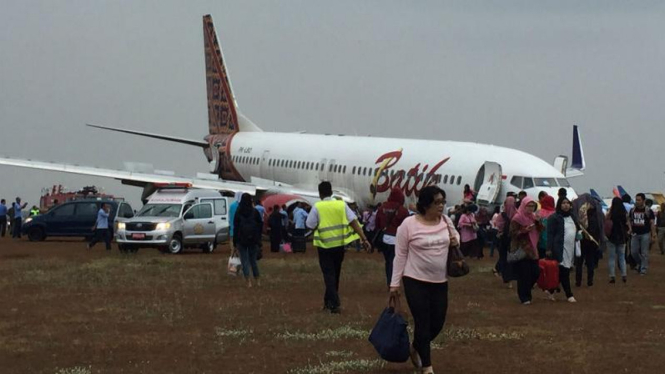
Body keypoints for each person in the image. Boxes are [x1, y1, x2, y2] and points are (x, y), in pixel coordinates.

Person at [390, 186, 460, 374]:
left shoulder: (445, 221)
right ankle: (427, 366)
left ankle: (416, 346)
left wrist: (456, 241)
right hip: (415, 280)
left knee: (437, 321)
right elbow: (400, 255)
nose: (441, 206)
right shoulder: (408, 224)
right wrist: (394, 283)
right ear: (425, 204)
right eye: (437, 202)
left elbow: (455, 236)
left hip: (439, 281)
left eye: (443, 202)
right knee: (422, 321)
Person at [306, 182, 370, 314]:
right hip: (339, 246)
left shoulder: (318, 206)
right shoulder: (341, 205)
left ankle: (335, 303)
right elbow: (354, 222)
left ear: (320, 194)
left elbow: (309, 224)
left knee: (328, 275)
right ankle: (328, 303)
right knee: (335, 274)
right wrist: (364, 239)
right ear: (331, 192)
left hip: (324, 246)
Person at [509, 197, 543, 305]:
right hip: (522, 249)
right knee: (524, 274)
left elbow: (541, 230)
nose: (530, 208)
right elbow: (512, 233)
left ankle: (527, 291)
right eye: (528, 206)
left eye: (533, 206)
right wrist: (524, 231)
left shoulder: (534, 217)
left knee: (535, 272)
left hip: (532, 249)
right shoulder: (517, 218)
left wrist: (538, 222)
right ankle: (524, 297)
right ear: (524, 206)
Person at [546, 197, 580, 302]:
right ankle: (569, 295)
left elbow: (577, 229)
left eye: (567, 203)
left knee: (562, 272)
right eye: (563, 203)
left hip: (571, 248)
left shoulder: (573, 217)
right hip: (560, 248)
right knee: (564, 271)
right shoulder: (554, 218)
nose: (565, 205)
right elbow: (550, 234)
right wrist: (549, 248)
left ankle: (551, 290)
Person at [375, 187, 409, 287]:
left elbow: (377, 223)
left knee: (388, 261)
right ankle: (394, 282)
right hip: (397, 240)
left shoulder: (382, 208)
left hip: (385, 238)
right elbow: (406, 226)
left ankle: (390, 281)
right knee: (396, 261)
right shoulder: (403, 210)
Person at [233, 193, 262, 287]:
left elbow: (235, 228)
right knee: (253, 260)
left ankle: (248, 281)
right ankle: (257, 280)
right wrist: (258, 238)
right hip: (253, 239)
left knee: (244, 260)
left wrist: (234, 242)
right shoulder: (255, 212)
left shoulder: (238, 212)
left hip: (241, 240)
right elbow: (260, 225)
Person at [575, 197, 602, 287]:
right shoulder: (597, 214)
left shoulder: (580, 214)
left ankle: (578, 281)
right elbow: (599, 228)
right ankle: (590, 281)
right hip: (591, 242)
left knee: (580, 262)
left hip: (582, 241)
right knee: (590, 262)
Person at [628, 193, 656, 276]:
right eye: (636, 200)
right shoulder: (632, 210)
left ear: (643, 200)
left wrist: (653, 235)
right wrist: (630, 229)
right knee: (633, 252)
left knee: (644, 252)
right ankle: (640, 263)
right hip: (635, 234)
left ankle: (643, 269)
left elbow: (652, 223)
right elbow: (629, 220)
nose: (637, 201)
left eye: (639, 200)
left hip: (645, 234)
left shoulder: (648, 211)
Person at [494, 196, 517, 287]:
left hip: (503, 240)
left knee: (504, 259)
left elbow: (498, 226)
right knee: (510, 259)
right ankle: (510, 277)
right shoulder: (517, 214)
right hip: (512, 240)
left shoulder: (501, 215)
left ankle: (507, 278)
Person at [606, 197, 629, 283]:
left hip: (611, 237)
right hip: (621, 237)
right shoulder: (624, 214)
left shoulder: (610, 214)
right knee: (622, 257)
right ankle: (624, 275)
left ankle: (612, 276)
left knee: (611, 257)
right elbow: (626, 224)